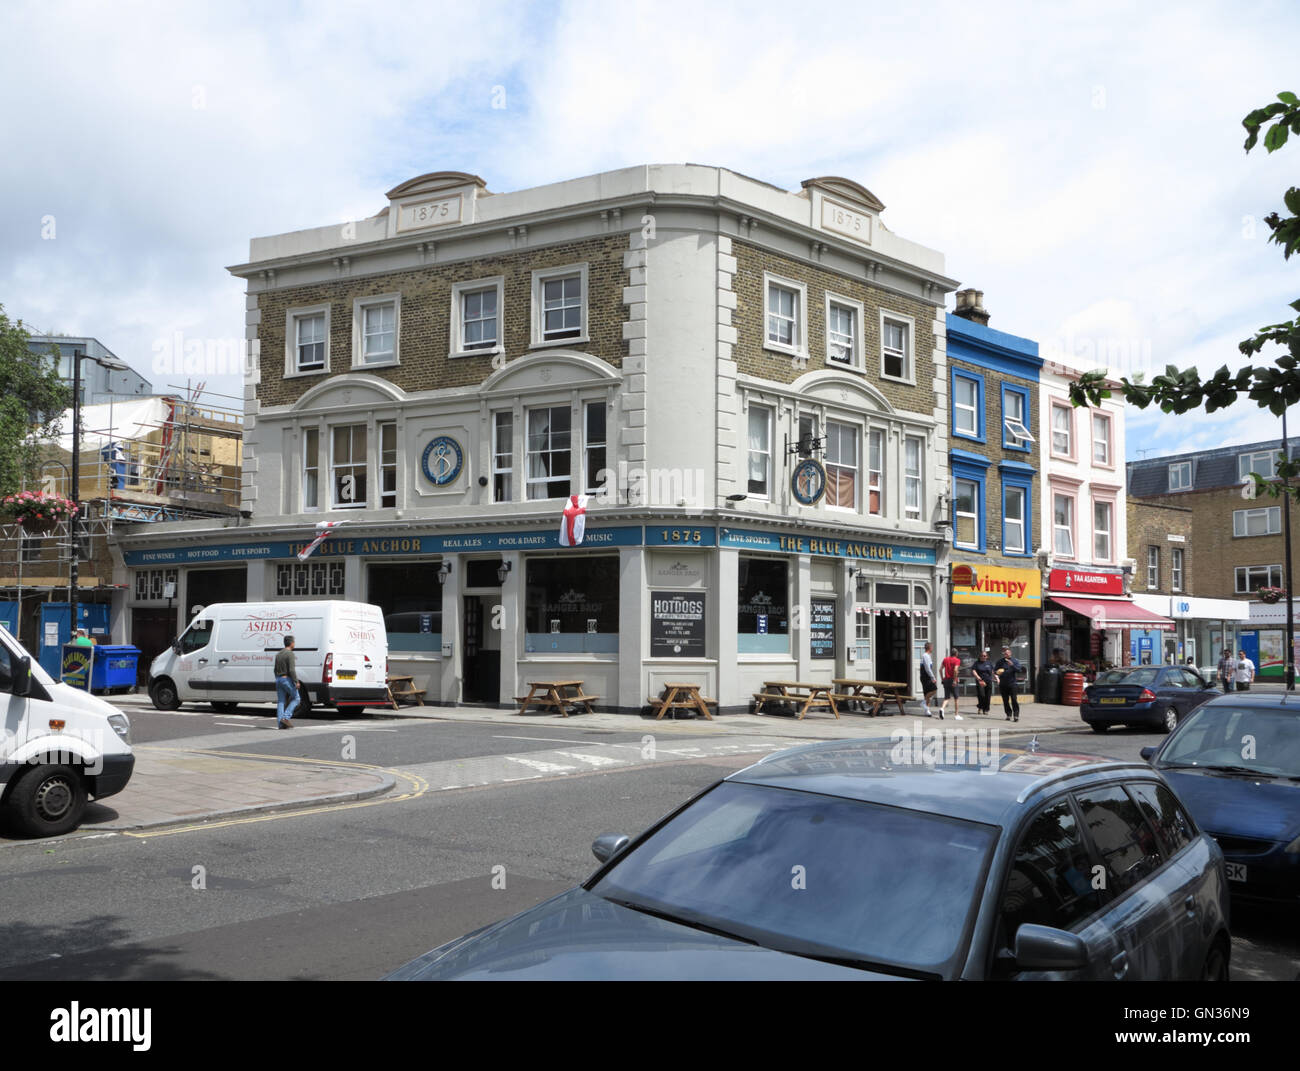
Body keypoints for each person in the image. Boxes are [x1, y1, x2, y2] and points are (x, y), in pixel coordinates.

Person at [274, 634, 300, 729]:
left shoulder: (279, 654)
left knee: (281, 701)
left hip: (278, 679)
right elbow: (292, 670)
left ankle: (280, 724)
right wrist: (296, 681)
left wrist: (278, 678)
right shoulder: (290, 654)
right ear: (292, 643)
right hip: (286, 679)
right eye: (294, 642)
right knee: (296, 698)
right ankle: (285, 718)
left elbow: (275, 669)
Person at [995, 646, 1022, 722]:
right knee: (1005, 700)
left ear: (1010, 653)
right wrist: (997, 674)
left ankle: (1016, 715)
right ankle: (1008, 714)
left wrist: (1012, 665)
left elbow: (1019, 670)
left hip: (1012, 684)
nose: (1006, 654)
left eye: (1008, 653)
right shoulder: (1000, 661)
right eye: (1005, 653)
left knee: (1014, 699)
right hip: (1003, 684)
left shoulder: (1015, 661)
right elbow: (994, 671)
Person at [920, 642, 942, 719]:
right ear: (929, 648)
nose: (932, 648)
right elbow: (927, 668)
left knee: (927, 693)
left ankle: (927, 711)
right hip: (926, 677)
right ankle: (923, 703)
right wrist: (933, 677)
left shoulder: (927, 656)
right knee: (934, 690)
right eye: (932, 647)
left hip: (926, 676)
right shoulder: (925, 656)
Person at [939, 648, 962, 719]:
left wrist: (942, 679)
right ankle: (956, 715)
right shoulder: (957, 660)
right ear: (956, 654)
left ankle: (942, 708)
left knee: (947, 697)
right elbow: (955, 670)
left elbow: (940, 670)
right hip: (952, 680)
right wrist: (955, 680)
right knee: (956, 698)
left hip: (946, 680)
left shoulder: (945, 659)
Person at [972, 649, 995, 715]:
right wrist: (978, 678)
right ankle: (980, 706)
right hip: (980, 681)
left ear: (987, 656)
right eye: (982, 656)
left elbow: (992, 671)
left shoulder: (989, 663)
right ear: (980, 656)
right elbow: (973, 671)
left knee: (988, 696)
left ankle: (986, 709)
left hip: (988, 681)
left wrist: (996, 677)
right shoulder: (976, 663)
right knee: (981, 695)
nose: (983, 657)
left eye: (985, 656)